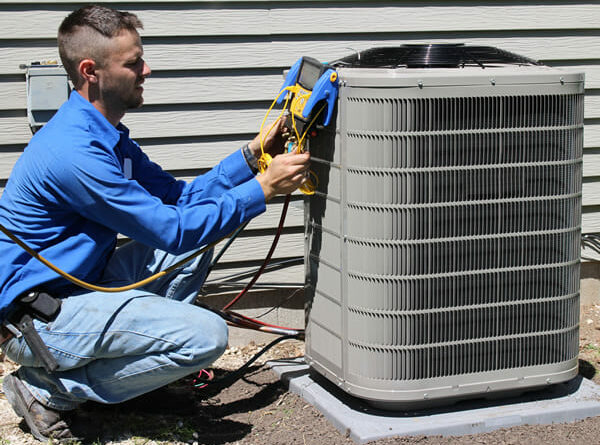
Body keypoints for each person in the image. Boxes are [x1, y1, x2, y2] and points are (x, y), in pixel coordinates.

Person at [0, 5, 310, 442]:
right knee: (205, 337)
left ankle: (139, 384)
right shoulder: (75, 154)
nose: (147, 69)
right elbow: (172, 229)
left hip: (79, 285)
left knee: (191, 246)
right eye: (132, 63)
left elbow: (177, 200)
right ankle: (46, 390)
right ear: (92, 71)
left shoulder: (105, 136)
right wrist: (263, 189)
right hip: (40, 320)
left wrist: (251, 157)